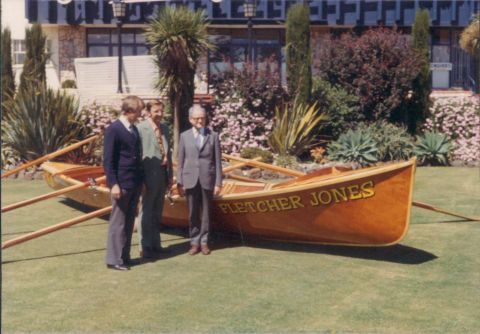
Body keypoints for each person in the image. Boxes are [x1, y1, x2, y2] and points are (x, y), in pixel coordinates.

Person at [103, 95, 144, 271]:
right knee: (118, 222)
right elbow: (108, 160)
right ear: (128, 111)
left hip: (133, 183)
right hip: (121, 183)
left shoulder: (133, 129)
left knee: (128, 223)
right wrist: (114, 184)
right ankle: (114, 259)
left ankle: (124, 256)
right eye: (138, 112)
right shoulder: (114, 129)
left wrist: (140, 182)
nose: (140, 115)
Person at [176, 105, 222, 255]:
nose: (200, 121)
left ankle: (204, 242)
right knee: (193, 213)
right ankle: (194, 242)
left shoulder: (213, 136)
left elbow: (217, 162)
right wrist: (179, 182)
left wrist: (218, 182)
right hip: (190, 180)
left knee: (206, 213)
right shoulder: (184, 136)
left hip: (207, 179)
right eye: (197, 118)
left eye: (202, 118)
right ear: (190, 120)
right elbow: (181, 161)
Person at [136, 100, 173, 259]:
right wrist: (141, 180)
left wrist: (170, 176)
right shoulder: (141, 129)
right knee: (146, 211)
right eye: (156, 111)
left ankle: (155, 244)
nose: (159, 114)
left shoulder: (164, 128)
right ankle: (144, 247)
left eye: (161, 111)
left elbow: (168, 153)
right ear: (149, 112)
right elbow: (138, 156)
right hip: (148, 175)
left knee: (157, 211)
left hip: (162, 174)